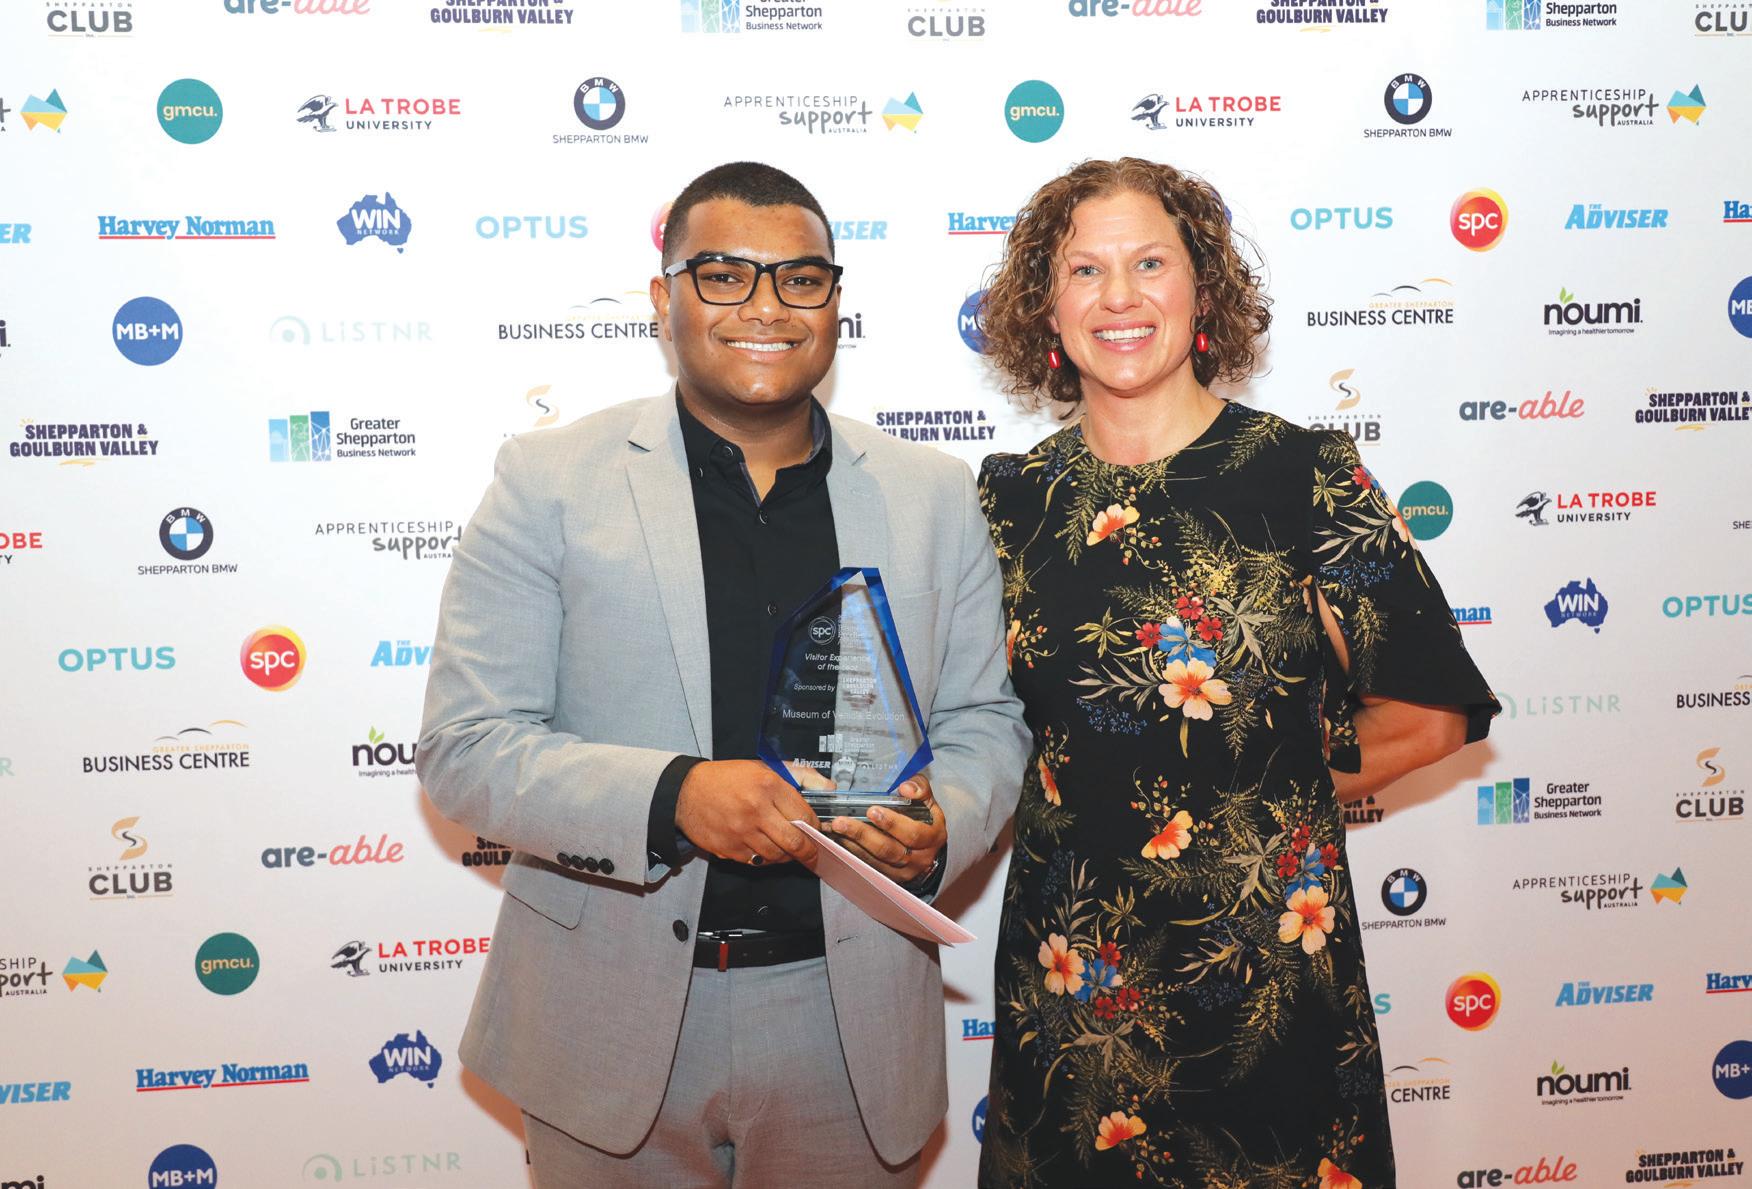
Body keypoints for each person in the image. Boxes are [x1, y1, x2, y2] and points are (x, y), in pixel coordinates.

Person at [416, 161, 1030, 1188]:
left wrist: (940, 830)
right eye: (724, 275)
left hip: (850, 1017)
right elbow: (466, 747)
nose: (766, 307)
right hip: (606, 1013)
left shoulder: (931, 492)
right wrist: (675, 796)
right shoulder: (548, 480)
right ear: (664, 300)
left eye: (800, 279)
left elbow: (984, 722)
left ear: (834, 304)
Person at [972, 157, 1497, 1187]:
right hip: (1075, 998)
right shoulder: (1005, 501)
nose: (1118, 297)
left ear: (1202, 291)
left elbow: (1429, 717)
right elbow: (973, 725)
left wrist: (1252, 813)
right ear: (1048, 310)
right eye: (1084, 270)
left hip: (1270, 991)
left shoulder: (1305, 476)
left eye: (1150, 263)